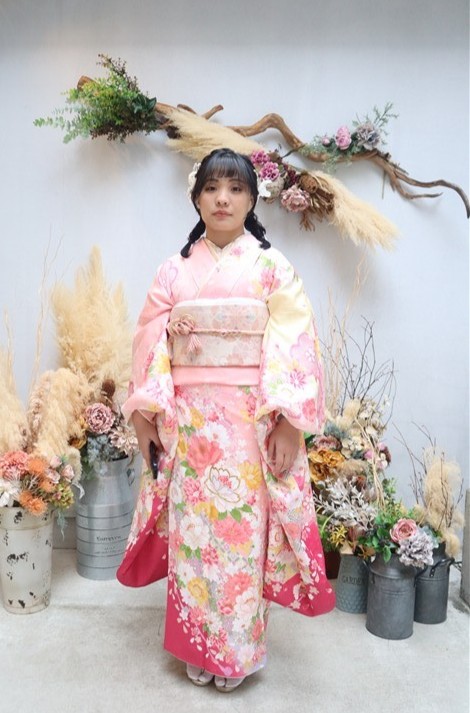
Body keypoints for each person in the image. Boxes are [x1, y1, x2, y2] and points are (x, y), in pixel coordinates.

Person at [117, 148, 335, 692]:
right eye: (212, 188)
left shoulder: (272, 266)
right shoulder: (174, 270)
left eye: (235, 189)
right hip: (190, 427)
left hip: (248, 426)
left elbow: (295, 340)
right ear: (196, 198)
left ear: (252, 199)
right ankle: (195, 643)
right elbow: (147, 339)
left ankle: (236, 650)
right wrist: (145, 418)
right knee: (194, 536)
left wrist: (288, 422)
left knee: (240, 538)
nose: (222, 198)